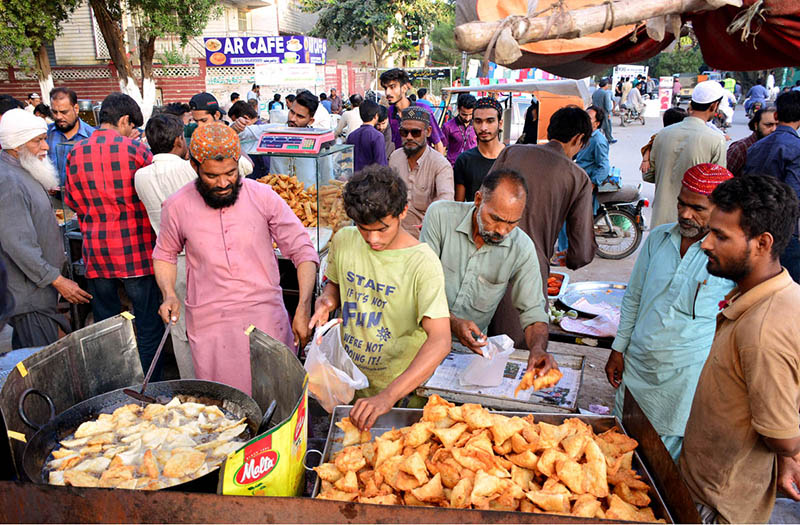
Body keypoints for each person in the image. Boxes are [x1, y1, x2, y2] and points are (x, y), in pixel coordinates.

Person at [153, 123, 318, 395]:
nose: (223, 182)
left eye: (231, 173)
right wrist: (169, 293)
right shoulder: (177, 205)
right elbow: (165, 253)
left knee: (276, 399)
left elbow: (303, 251)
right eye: (212, 176)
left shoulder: (263, 196)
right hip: (211, 326)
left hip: (265, 320)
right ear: (194, 167)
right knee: (225, 408)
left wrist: (303, 305)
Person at [679, 175, 800, 524]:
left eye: (721, 236)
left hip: (718, 505)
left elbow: (784, 437)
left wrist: (788, 454)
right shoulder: (772, 295)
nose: (705, 244)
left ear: (762, 243)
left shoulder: (764, 330)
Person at [605, 164, 735, 461]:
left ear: (722, 210)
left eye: (697, 208)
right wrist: (618, 349)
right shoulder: (658, 239)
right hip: (638, 366)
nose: (686, 214)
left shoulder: (726, 257)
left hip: (684, 379)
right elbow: (634, 297)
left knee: (663, 464)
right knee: (619, 452)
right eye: (682, 203)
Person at [308, 165, 450, 431]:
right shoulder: (344, 240)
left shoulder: (422, 263)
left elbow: (441, 340)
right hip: (348, 384)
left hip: (401, 395)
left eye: (382, 229)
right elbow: (336, 285)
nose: (373, 239)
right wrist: (327, 301)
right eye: (364, 229)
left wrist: (387, 397)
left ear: (402, 212)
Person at [64, 93, 165, 377]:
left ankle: (114, 385)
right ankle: (150, 386)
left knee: (107, 329)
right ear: (123, 120)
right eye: (132, 126)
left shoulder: (75, 152)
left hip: (97, 256)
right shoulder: (135, 151)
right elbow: (152, 195)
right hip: (137, 254)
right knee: (147, 325)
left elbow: (71, 200)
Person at [420, 169, 555, 374]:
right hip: (419, 338)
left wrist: (537, 349)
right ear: (478, 200)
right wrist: (453, 322)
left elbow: (533, 310)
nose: (502, 230)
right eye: (496, 219)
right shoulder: (440, 216)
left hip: (468, 354)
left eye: (512, 223)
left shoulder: (522, 248)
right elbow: (418, 289)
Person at [490, 106, 597, 346]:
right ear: (579, 139)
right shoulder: (578, 177)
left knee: (474, 342)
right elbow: (581, 252)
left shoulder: (511, 152)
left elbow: (482, 200)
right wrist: (568, 258)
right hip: (527, 272)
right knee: (519, 350)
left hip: (483, 260)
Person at [0, 109, 90, 348]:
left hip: (37, 295)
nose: (46, 147)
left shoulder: (18, 172)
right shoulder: (8, 180)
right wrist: (56, 279)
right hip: (29, 298)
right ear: (16, 146)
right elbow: (18, 244)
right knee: (40, 367)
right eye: (37, 141)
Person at [134, 113, 197, 379]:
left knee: (179, 327)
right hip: (195, 257)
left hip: (167, 261)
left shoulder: (141, 176)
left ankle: (188, 385)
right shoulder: (189, 169)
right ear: (179, 140)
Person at [647, 81, 727, 227]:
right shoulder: (716, 139)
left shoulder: (662, 134)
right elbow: (718, 188)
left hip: (660, 220)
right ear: (714, 106)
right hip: (692, 223)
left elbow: (648, 175)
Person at [743, 90, 800, 283]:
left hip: (753, 226)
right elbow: (794, 195)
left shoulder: (755, 147)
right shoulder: (797, 148)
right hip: (784, 233)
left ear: (776, 115)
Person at [388, 106, 453, 239]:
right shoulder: (395, 158)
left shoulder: (440, 164)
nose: (409, 137)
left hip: (424, 240)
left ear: (428, 132)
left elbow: (446, 201)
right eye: (404, 132)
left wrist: (431, 222)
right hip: (394, 236)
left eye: (416, 132)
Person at [379, 68, 445, 154]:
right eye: (385, 88)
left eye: (392, 87)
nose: (387, 92)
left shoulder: (422, 110)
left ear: (404, 88)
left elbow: (438, 143)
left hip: (423, 164)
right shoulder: (391, 112)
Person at [453, 97, 504, 202]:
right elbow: (459, 207)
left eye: (490, 121)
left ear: (500, 123)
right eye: (478, 121)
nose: (483, 127)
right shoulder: (464, 161)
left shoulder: (512, 157)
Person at [46, 87, 95, 186]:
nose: (59, 117)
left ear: (76, 109)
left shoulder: (92, 137)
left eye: (64, 112)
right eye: (55, 112)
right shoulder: (45, 135)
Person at [726, 107, 777, 177]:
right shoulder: (741, 149)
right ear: (756, 125)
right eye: (768, 125)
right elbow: (724, 177)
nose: (774, 129)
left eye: (777, 125)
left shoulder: (782, 148)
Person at [640, 107, 688, 175]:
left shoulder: (659, 136)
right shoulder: (660, 137)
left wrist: (645, 161)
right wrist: (645, 161)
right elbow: (648, 147)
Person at [346, 100, 386, 172]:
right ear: (376, 116)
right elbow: (381, 163)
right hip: (371, 179)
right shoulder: (378, 136)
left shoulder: (351, 136)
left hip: (355, 178)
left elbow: (348, 161)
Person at [441, 94, 477, 167]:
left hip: (473, 166)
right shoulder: (448, 127)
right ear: (458, 109)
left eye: (470, 114)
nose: (467, 118)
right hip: (454, 167)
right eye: (464, 114)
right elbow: (442, 149)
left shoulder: (478, 125)